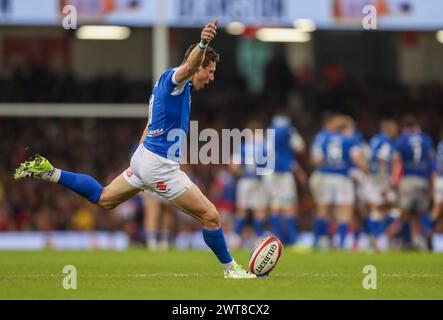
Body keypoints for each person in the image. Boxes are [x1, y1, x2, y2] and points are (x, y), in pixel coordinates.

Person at [14, 19, 256, 279]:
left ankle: (50, 172)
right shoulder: (175, 79)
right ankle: (231, 270)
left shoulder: (175, 87)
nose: (212, 77)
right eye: (210, 70)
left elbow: (151, 122)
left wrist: (142, 152)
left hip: (144, 157)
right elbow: (189, 65)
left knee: (105, 198)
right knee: (210, 216)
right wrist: (204, 42)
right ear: (198, 66)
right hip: (159, 165)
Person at [312, 117, 368, 250]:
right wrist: (367, 171)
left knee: (322, 210)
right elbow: (358, 158)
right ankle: (342, 244)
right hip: (343, 177)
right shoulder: (350, 139)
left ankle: (318, 241)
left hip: (326, 176)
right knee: (345, 211)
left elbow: (316, 159)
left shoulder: (324, 138)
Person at [263, 113, 306, 249]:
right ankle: (293, 241)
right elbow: (300, 147)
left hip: (268, 172)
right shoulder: (288, 131)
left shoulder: (268, 132)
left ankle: (276, 240)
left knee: (275, 207)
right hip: (283, 173)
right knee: (288, 207)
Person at [392, 116, 434, 250]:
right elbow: (431, 164)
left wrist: (395, 180)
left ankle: (406, 242)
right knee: (421, 212)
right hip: (423, 179)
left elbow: (397, 162)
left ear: (404, 128)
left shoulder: (401, 140)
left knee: (405, 212)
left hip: (408, 179)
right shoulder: (426, 140)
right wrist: (431, 184)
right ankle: (426, 235)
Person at [365, 119, 399, 251]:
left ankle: (373, 239)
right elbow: (382, 160)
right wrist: (385, 183)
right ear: (389, 129)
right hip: (381, 179)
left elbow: (368, 157)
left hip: (372, 177)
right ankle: (375, 235)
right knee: (396, 210)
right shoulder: (386, 142)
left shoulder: (375, 140)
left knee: (376, 211)